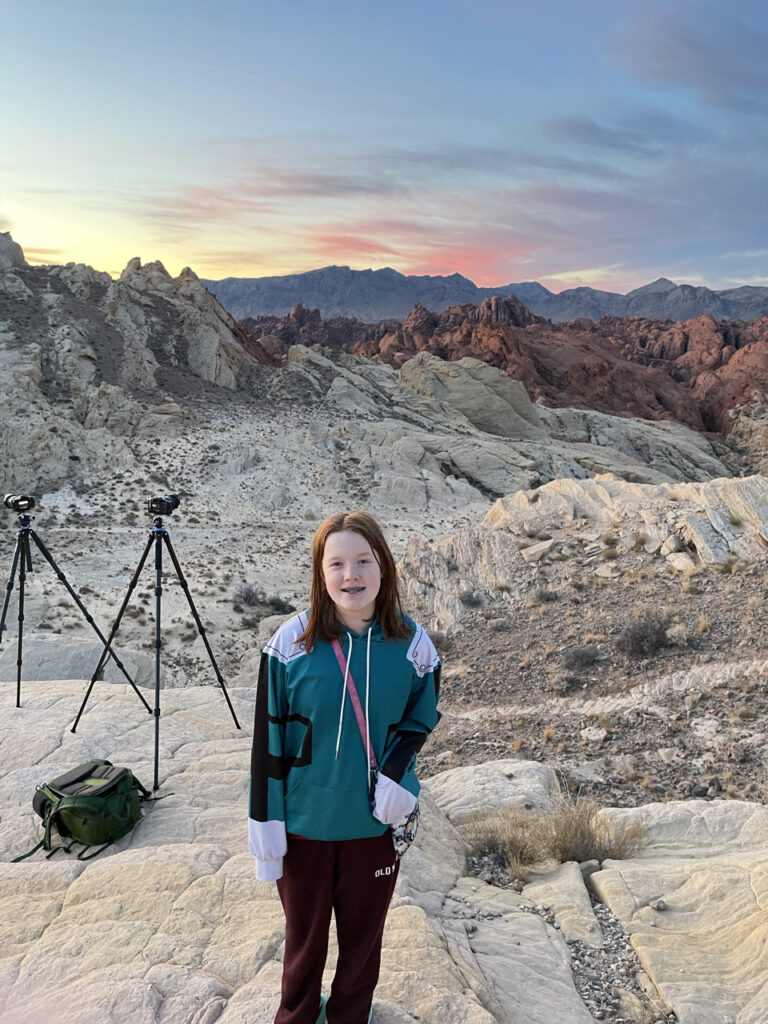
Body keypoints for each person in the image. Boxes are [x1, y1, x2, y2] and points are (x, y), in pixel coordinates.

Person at [249, 510, 441, 1024]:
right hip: (304, 828)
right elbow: (267, 743)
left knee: (362, 945)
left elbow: (419, 720)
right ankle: (296, 1017)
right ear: (320, 573)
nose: (350, 575)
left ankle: (351, 1017)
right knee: (304, 945)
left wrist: (398, 778)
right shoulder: (290, 644)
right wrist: (264, 825)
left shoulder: (415, 647)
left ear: (383, 567)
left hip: (373, 826)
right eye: (336, 563)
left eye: (362, 560)